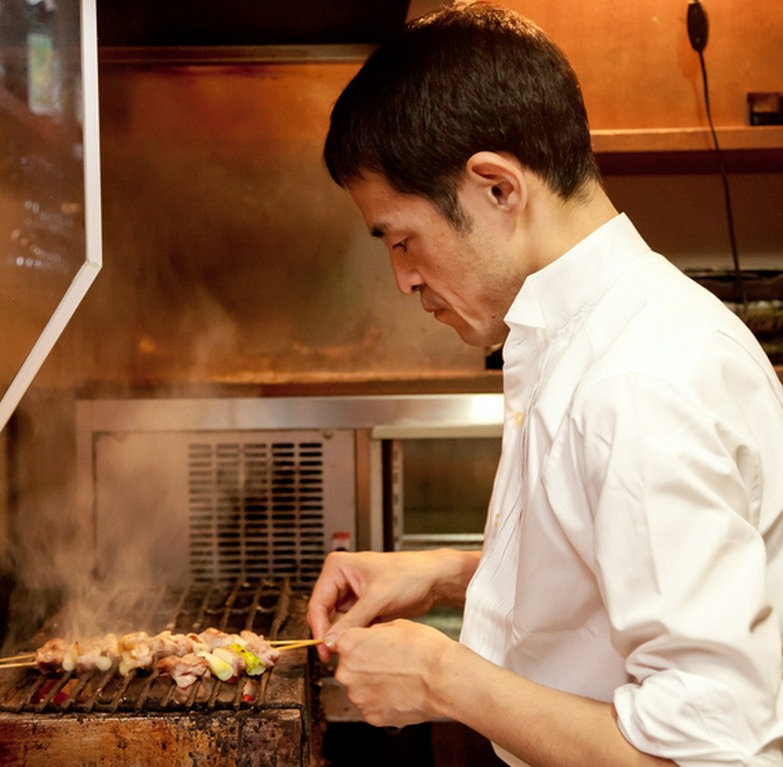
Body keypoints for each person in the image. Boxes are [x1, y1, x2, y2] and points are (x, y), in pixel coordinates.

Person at [306, 3, 783, 766]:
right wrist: (454, 574)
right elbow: (617, 577)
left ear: (497, 187)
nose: (402, 278)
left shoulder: (639, 382)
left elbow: (708, 755)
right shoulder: (592, 337)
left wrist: (440, 676)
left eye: (403, 240)